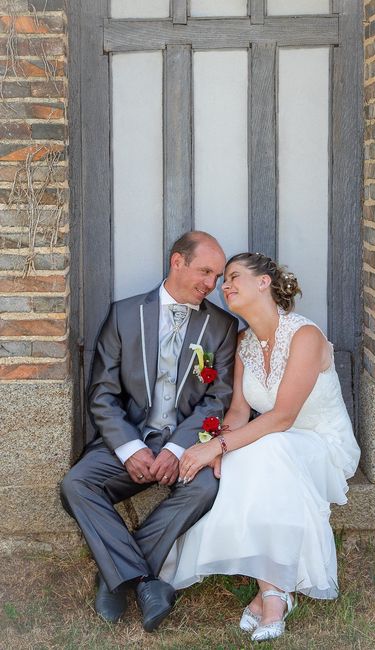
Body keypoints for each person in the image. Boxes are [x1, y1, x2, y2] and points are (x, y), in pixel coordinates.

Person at [159, 252, 361, 642]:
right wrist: (218, 447)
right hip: (276, 445)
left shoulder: (305, 335)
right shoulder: (244, 343)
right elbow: (238, 412)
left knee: (267, 451)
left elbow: (283, 417)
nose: (225, 286)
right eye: (224, 280)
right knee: (254, 455)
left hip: (322, 444)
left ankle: (270, 595)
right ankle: (273, 591)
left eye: (234, 277)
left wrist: (216, 446)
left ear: (264, 283)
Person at [60, 231, 238, 632]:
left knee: (205, 488)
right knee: (77, 484)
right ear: (177, 262)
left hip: (185, 441)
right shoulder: (124, 314)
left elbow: (216, 399)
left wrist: (178, 449)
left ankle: (115, 576)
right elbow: (102, 394)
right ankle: (145, 581)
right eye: (205, 272)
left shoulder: (222, 326)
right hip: (132, 436)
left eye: (218, 275)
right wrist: (129, 448)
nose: (212, 284)